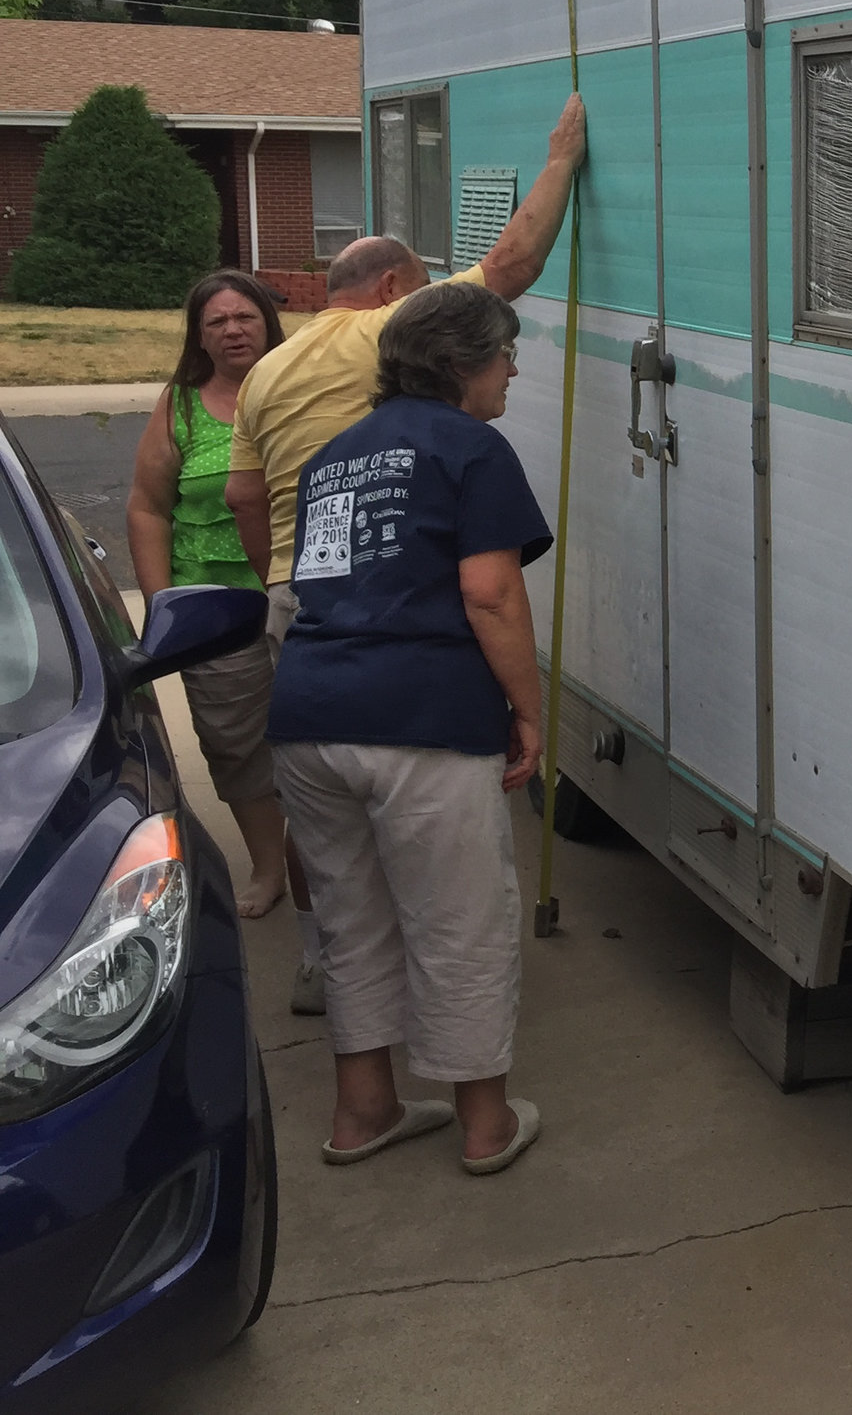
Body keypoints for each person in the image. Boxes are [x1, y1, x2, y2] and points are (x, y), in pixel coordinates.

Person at [226, 93, 584, 1011]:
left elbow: (244, 494)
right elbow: (511, 263)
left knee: (328, 819)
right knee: (426, 825)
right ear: (395, 291)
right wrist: (562, 158)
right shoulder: (395, 334)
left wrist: (287, 580)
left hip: (300, 606)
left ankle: (327, 964)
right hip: (403, 600)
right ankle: (454, 1034)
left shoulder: (267, 367)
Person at [268, 280, 552, 1172]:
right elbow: (490, 591)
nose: (512, 369)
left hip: (311, 714)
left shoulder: (333, 456)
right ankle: (484, 1125)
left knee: (353, 922)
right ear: (464, 362)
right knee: (460, 920)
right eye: (505, 351)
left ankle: (364, 1113)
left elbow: (317, 583)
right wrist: (531, 711)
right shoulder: (475, 447)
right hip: (421, 718)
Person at [126, 272, 316, 933]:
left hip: (302, 597)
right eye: (217, 322)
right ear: (198, 337)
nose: (233, 329)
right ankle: (268, 866)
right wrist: (165, 606)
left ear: (267, 322)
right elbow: (149, 508)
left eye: (245, 316)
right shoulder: (180, 405)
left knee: (317, 741)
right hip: (215, 610)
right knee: (236, 744)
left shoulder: (302, 389)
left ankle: (319, 869)